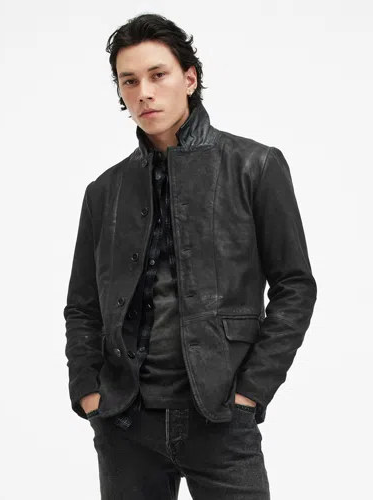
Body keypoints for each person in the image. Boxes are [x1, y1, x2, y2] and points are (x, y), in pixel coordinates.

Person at [63, 12, 317, 500]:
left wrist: (250, 393)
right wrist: (89, 392)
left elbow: (295, 287)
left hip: (220, 418)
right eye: (129, 81)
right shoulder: (104, 192)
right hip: (125, 425)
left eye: (158, 75)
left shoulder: (255, 166)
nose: (144, 93)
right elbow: (82, 305)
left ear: (190, 78)